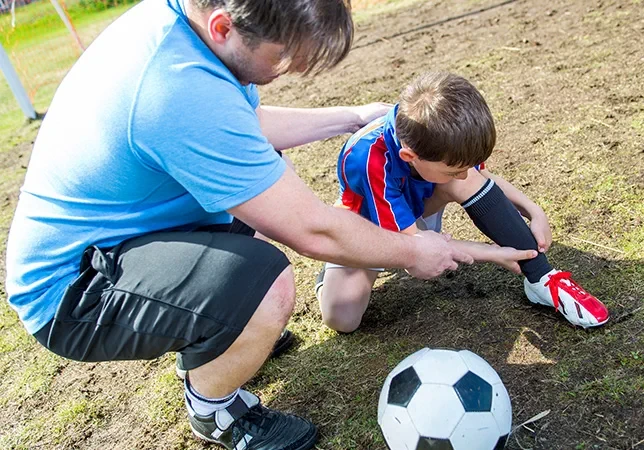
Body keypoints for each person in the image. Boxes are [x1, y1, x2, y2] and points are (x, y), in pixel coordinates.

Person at [3, 2, 485, 450]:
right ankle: (215, 412)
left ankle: (213, 332)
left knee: (258, 180)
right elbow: (313, 231)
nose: (292, 68)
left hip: (123, 240)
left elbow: (242, 124)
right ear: (223, 28)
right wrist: (414, 252)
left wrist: (352, 118)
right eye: (284, 57)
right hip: (73, 290)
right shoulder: (177, 87)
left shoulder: (188, 28)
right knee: (267, 284)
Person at [315, 71, 610, 333]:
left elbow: (478, 178)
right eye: (454, 168)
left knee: (461, 178)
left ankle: (542, 278)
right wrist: (495, 254)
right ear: (409, 157)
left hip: (415, 211)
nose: (465, 173)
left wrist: (534, 210)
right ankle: (330, 278)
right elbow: (412, 247)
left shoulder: (438, 137)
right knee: (342, 319)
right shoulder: (367, 158)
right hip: (368, 229)